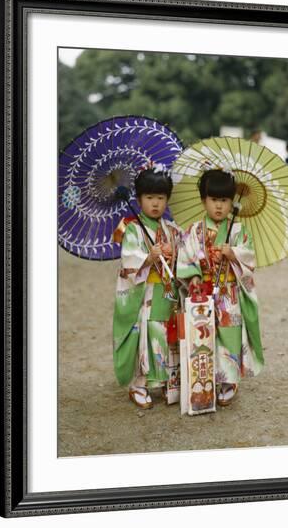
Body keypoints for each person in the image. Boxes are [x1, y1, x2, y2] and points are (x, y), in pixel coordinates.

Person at [176, 169, 264, 407]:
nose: (219, 207)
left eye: (224, 201)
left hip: (229, 293)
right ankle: (208, 379)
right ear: (204, 200)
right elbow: (185, 258)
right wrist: (193, 277)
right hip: (204, 291)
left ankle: (229, 380)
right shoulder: (194, 230)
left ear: (231, 202)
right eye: (214, 200)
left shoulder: (238, 230)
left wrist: (232, 252)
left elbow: (250, 258)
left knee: (229, 334)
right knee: (206, 336)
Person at [112, 168, 182, 409]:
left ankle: (166, 382)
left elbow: (183, 258)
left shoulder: (172, 229)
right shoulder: (133, 228)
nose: (155, 203)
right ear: (139, 199)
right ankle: (139, 384)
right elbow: (129, 260)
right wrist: (149, 258)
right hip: (145, 294)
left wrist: (175, 255)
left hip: (167, 292)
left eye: (161, 198)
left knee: (167, 334)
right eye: (150, 197)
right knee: (145, 335)